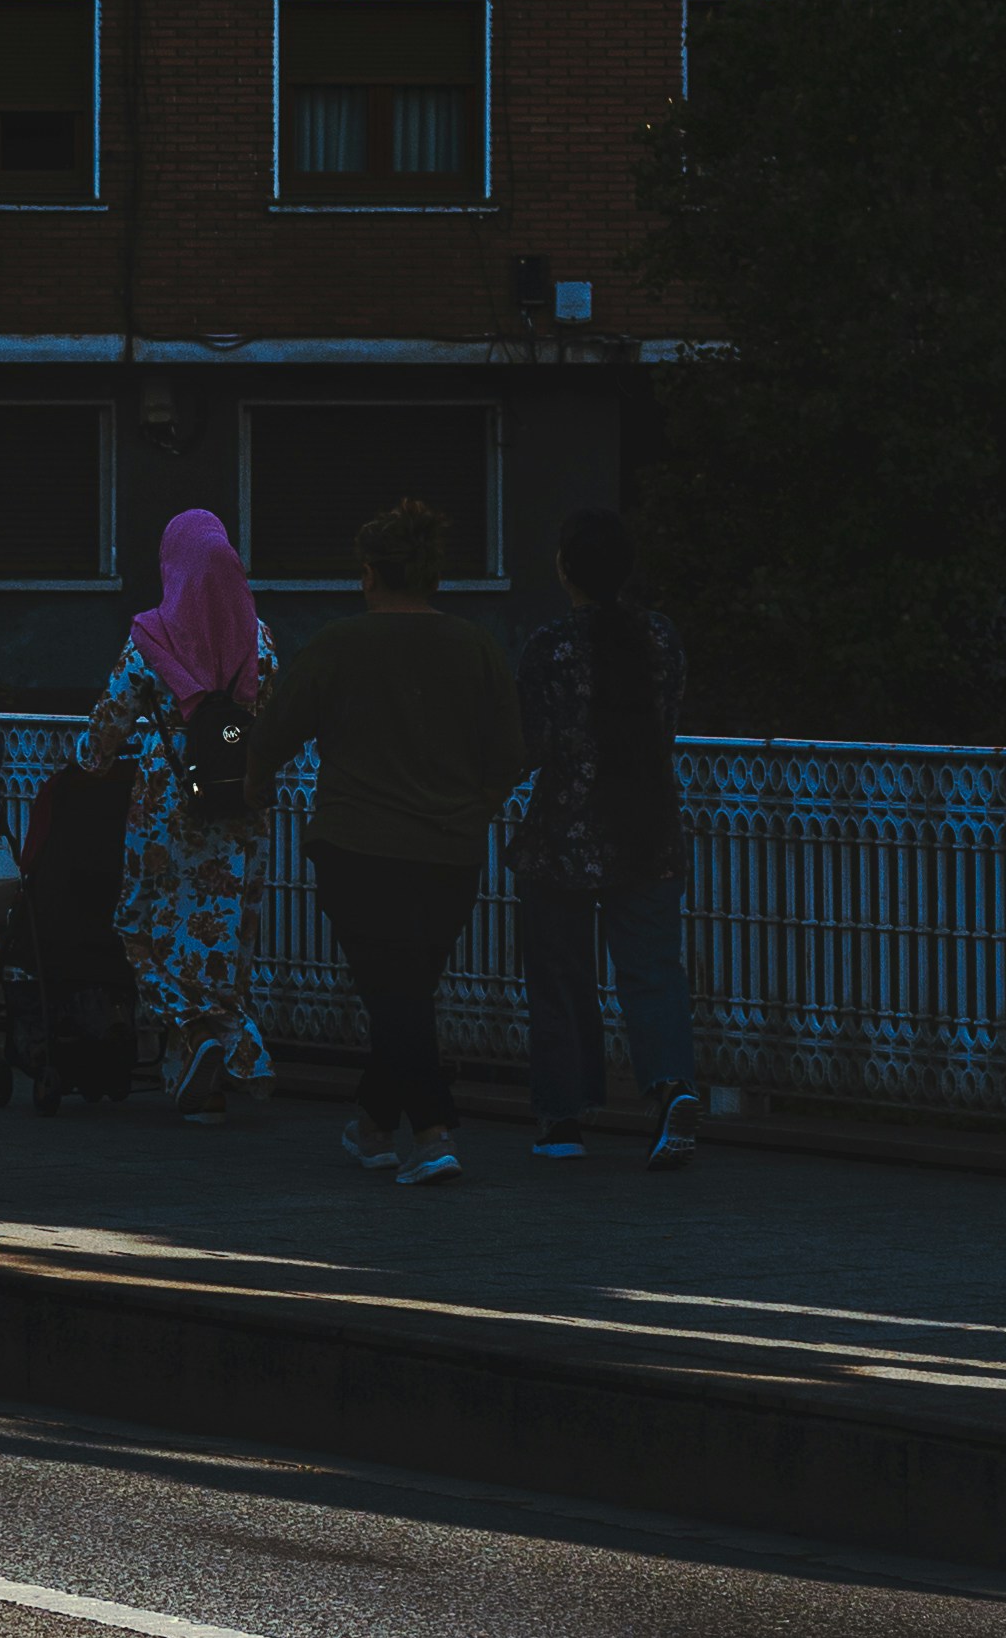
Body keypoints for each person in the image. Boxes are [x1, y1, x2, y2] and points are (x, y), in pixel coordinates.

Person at [244, 492, 525, 1188]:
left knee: (393, 992)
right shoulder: (477, 647)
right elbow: (511, 754)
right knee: (406, 990)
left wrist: (243, 784)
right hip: (451, 851)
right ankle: (372, 1124)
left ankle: (431, 1132)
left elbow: (272, 734)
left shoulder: (338, 645)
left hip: (358, 846)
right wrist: (475, 809)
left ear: (369, 573)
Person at [513, 512, 702, 1170]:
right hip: (649, 826)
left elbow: (532, 742)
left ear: (565, 568)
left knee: (560, 977)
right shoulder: (661, 638)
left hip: (562, 833)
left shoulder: (551, 646)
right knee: (653, 972)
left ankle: (563, 1118)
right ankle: (671, 1087)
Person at [90, 506, 280, 1121]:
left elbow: (107, 727)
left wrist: (87, 765)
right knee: (220, 941)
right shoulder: (259, 640)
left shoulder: (153, 638)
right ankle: (204, 1088)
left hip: (167, 804)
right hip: (241, 805)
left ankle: (213, 1041)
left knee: (140, 926)